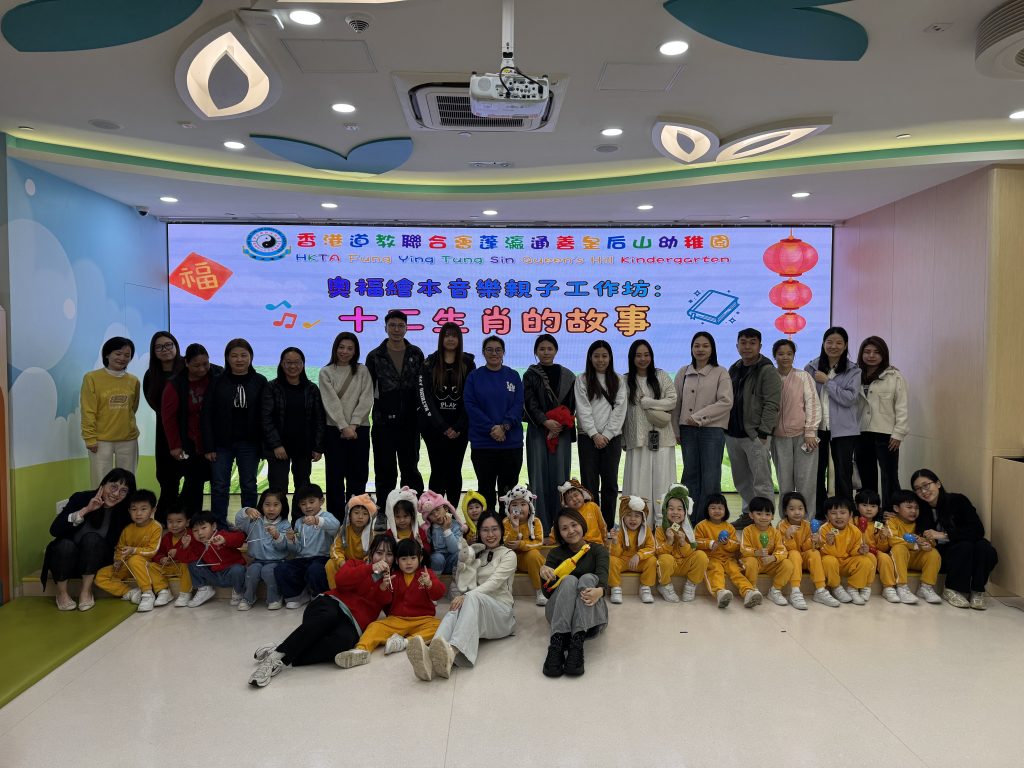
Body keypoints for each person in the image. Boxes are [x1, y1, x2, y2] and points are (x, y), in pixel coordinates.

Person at [248, 534, 396, 687]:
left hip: (353, 623)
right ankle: (275, 658)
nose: (383, 558)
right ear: (371, 553)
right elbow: (341, 580)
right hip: (330, 604)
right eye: (379, 553)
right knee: (328, 616)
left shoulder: (392, 580)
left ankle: (285, 649)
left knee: (344, 642)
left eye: (389, 554)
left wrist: (383, 588)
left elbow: (390, 609)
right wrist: (370, 569)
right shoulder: (356, 564)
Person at [406, 511, 517, 681]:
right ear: (479, 532)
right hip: (479, 609)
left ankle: (452, 652)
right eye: (485, 530)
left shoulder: (509, 555)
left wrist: (466, 596)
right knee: (455, 608)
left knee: (468, 598)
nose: (490, 534)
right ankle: (430, 653)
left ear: (502, 531)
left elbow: (494, 583)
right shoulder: (475, 554)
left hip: (502, 614)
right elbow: (465, 581)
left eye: (494, 529)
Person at [335, 538, 446, 669]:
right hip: (396, 619)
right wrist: (383, 588)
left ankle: (405, 642)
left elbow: (439, 594)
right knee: (374, 626)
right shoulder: (393, 576)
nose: (409, 562)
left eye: (413, 558)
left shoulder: (427, 574)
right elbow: (385, 602)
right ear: (397, 561)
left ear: (420, 558)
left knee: (440, 625)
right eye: (404, 559)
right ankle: (361, 650)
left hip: (423, 619)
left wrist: (430, 584)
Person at [43, 468, 136, 611]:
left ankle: (86, 591)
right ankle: (62, 593)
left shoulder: (125, 512)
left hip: (95, 565)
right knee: (65, 544)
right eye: (113, 487)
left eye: (123, 491)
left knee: (92, 539)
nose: (116, 494)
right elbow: (54, 530)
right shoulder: (81, 498)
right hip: (66, 561)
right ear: (103, 484)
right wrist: (86, 510)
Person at [201, 338, 268, 528]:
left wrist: (264, 445)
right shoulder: (217, 381)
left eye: (243, 355)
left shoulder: (260, 381)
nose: (239, 360)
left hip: (250, 443)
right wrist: (209, 446)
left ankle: (249, 526)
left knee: (249, 485)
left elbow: (265, 415)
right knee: (220, 486)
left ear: (251, 357)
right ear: (227, 358)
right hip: (221, 444)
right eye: (234, 356)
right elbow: (207, 414)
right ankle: (219, 525)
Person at [911, 469, 998, 609]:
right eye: (918, 489)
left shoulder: (958, 501)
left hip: (966, 548)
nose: (923, 491)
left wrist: (944, 535)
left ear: (938, 484)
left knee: (984, 547)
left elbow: (978, 530)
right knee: (964, 546)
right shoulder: (920, 510)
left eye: (926, 485)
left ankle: (977, 591)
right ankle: (952, 589)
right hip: (944, 555)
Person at [539, 508, 609, 678]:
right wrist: (544, 573)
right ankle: (557, 644)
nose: (570, 531)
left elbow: (603, 578)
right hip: (559, 617)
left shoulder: (598, 550)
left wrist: (600, 591)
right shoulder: (555, 553)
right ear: (559, 533)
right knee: (569, 580)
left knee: (587, 578)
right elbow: (547, 594)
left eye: (574, 525)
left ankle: (577, 643)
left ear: (582, 525)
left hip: (591, 620)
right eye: (564, 528)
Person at [671, 332, 732, 524]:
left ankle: (709, 521)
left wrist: (698, 418)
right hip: (687, 431)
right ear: (691, 348)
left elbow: (726, 402)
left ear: (712, 349)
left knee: (711, 477)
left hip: (712, 431)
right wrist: (676, 430)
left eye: (705, 346)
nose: (700, 349)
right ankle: (688, 521)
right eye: (696, 345)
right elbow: (676, 404)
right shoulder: (683, 372)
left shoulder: (720, 372)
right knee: (690, 475)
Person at [365, 309, 425, 502]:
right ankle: (384, 508)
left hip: (410, 422)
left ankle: (411, 508)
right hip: (383, 423)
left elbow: (422, 386)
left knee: (410, 469)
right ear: (386, 328)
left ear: (406, 328)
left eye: (400, 325)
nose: (396, 329)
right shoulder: (375, 356)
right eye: (392, 325)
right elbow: (368, 390)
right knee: (384, 470)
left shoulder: (416, 353)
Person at [724, 329, 781, 527]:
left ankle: (764, 520)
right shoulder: (734, 368)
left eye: (752, 342)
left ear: (760, 346)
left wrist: (763, 432)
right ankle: (748, 515)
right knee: (741, 480)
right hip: (733, 434)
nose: (747, 346)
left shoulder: (767, 370)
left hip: (755, 435)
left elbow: (772, 403)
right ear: (737, 345)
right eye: (743, 342)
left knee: (761, 481)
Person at [523, 334, 577, 535]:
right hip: (538, 431)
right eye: (542, 349)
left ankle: (561, 524)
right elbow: (528, 403)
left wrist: (559, 425)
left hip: (561, 433)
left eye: (549, 348)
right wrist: (545, 421)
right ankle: (540, 525)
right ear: (536, 352)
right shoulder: (529, 375)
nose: (546, 352)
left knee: (560, 477)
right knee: (538, 476)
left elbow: (571, 406)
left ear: (556, 350)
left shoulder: (568, 376)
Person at [464, 336, 524, 513]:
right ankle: (488, 526)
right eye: (489, 349)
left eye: (498, 350)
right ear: (483, 352)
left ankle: (509, 525)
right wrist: (492, 428)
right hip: (483, 443)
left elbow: (518, 404)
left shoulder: (513, 376)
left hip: (510, 443)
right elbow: (470, 405)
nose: (494, 353)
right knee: (486, 490)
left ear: (503, 352)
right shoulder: (474, 377)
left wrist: (504, 426)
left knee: (509, 491)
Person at [418, 321, 476, 507]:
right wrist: (442, 426)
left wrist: (458, 426)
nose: (450, 339)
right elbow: (424, 397)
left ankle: (452, 514)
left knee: (454, 471)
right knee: (437, 471)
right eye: (447, 335)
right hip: (434, 429)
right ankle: (435, 514)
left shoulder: (468, 364)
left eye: (454, 335)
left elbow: (471, 397)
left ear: (459, 339)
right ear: (441, 338)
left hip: (460, 429)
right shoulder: (429, 363)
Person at [805, 328, 860, 518]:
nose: (833, 346)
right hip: (817, 428)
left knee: (843, 473)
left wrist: (827, 381)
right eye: (829, 342)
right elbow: (806, 398)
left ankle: (845, 513)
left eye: (838, 342)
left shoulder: (853, 370)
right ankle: (819, 512)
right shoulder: (811, 368)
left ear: (845, 345)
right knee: (817, 471)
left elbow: (850, 399)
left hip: (844, 430)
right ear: (823, 343)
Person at [621, 339, 677, 526]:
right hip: (636, 439)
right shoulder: (625, 380)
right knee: (638, 485)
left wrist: (650, 403)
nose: (643, 359)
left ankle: (663, 526)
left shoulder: (661, 376)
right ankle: (638, 524)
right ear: (632, 358)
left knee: (663, 482)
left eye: (646, 355)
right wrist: (623, 438)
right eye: (638, 355)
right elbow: (621, 410)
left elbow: (672, 400)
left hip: (662, 438)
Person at [161, 344, 221, 516]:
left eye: (205, 364)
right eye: (196, 365)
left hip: (215, 440)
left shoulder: (218, 374)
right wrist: (175, 445)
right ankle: (190, 519)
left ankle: (216, 520)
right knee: (193, 481)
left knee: (218, 482)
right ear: (186, 363)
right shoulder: (175, 384)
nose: (202, 369)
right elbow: (168, 418)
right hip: (190, 442)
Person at [575, 340, 627, 531]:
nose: (601, 360)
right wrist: (594, 434)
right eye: (596, 356)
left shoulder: (618, 380)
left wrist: (606, 435)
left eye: (604, 356)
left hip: (611, 439)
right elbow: (582, 409)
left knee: (610, 484)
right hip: (587, 438)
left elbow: (620, 409)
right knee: (589, 484)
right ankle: (591, 525)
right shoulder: (582, 380)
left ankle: (607, 525)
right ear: (590, 358)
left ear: (610, 358)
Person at [318, 332, 373, 513]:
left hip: (360, 430)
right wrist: (343, 426)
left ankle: (356, 518)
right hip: (334, 430)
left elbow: (366, 398)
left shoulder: (362, 370)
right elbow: (330, 402)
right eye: (341, 347)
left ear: (355, 351)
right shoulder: (326, 372)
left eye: (350, 348)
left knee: (358, 476)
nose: (345, 351)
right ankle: (335, 519)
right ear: (335, 348)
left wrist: (353, 425)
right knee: (334, 477)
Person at [262, 347, 324, 494]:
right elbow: (265, 418)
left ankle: (299, 511)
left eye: (297, 362)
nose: (293, 366)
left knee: (303, 490)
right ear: (282, 364)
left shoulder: (311, 389)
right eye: (288, 362)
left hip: (304, 447)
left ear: (303, 364)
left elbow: (319, 419)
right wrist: (276, 445)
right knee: (278, 489)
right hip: (279, 448)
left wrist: (318, 446)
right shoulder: (272, 387)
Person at [94, 489, 168, 612]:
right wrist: (118, 560)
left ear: (153, 510)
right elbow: (120, 548)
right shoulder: (127, 529)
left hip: (147, 565)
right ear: (129, 511)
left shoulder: (156, 527)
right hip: (127, 565)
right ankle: (130, 593)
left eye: (143, 509)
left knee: (135, 560)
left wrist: (133, 550)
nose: (138, 513)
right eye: (134, 509)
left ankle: (147, 593)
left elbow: (153, 550)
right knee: (101, 575)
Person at [856, 336, 909, 506]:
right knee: (866, 476)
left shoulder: (894, 376)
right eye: (867, 351)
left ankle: (891, 513)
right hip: (861, 433)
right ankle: (869, 513)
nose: (871, 355)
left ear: (883, 354)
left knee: (890, 476)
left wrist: (898, 434)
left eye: (876, 352)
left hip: (887, 435)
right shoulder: (855, 375)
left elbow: (902, 407)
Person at [81, 337, 140, 486]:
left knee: (127, 481)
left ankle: (127, 503)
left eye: (127, 355)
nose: (122, 358)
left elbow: (133, 408)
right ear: (107, 354)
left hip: (128, 439)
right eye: (118, 353)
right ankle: (100, 503)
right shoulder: (92, 378)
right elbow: (88, 411)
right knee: (101, 481)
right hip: (100, 440)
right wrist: (90, 438)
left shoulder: (134, 381)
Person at [771, 339, 821, 515]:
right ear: (774, 356)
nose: (785, 357)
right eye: (781, 354)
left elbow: (813, 404)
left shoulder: (803, 376)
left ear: (794, 355)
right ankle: (786, 521)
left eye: (789, 354)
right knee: (784, 482)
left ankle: (807, 521)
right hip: (778, 438)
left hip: (804, 437)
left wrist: (810, 431)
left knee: (806, 482)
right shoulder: (770, 377)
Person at [143, 332, 185, 520]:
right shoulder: (151, 375)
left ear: (176, 346)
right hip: (165, 432)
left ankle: (187, 517)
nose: (165, 349)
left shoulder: (187, 367)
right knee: (168, 479)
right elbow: (153, 402)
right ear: (154, 351)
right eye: (159, 347)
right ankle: (165, 521)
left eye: (169, 345)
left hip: (189, 430)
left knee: (193, 478)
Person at [278, 484, 341, 608]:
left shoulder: (326, 516)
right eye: (303, 503)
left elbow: (336, 526)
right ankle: (296, 596)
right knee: (282, 568)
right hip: (302, 559)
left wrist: (317, 520)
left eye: (312, 502)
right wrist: (292, 540)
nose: (308, 506)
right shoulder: (299, 522)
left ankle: (319, 596)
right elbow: (297, 549)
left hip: (322, 558)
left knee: (316, 570)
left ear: (321, 501)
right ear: (299, 505)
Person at [693, 494, 757, 608]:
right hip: (711, 558)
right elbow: (695, 543)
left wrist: (727, 543)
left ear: (725, 510)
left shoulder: (729, 527)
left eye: (720, 508)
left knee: (736, 572)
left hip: (728, 559)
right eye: (713, 508)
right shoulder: (701, 526)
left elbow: (736, 545)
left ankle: (748, 592)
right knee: (716, 571)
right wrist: (710, 543)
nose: (717, 511)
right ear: (707, 509)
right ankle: (720, 592)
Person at [778, 491, 838, 608]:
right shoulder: (782, 526)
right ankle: (795, 591)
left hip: (803, 559)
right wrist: (788, 536)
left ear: (805, 510)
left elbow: (807, 548)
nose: (797, 512)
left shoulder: (807, 525)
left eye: (800, 508)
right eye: (792, 509)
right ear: (785, 511)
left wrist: (814, 541)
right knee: (794, 553)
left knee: (814, 553)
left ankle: (820, 590)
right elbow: (783, 549)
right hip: (790, 560)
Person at [882, 489, 943, 605]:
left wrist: (927, 544)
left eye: (916, 508)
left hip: (915, 559)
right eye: (909, 507)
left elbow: (931, 540)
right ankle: (901, 587)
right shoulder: (892, 521)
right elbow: (892, 540)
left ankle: (926, 587)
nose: (913, 511)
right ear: (896, 508)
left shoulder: (921, 522)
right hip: (898, 559)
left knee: (933, 553)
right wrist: (915, 544)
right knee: (899, 548)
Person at [235, 489, 292, 611]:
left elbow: (284, 547)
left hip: (277, 561)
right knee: (252, 571)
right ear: (261, 506)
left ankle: (275, 598)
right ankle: (248, 597)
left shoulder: (285, 524)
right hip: (256, 560)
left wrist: (277, 535)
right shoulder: (254, 521)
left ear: (283, 506)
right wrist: (247, 510)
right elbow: (238, 521)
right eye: (267, 504)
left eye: (276, 505)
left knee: (268, 571)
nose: (271, 509)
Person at [739, 497, 795, 609]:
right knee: (751, 562)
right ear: (751, 515)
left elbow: (783, 550)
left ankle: (775, 590)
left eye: (767, 514)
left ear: (772, 516)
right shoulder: (747, 530)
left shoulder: (775, 532)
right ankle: (752, 589)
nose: (764, 517)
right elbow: (743, 549)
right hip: (754, 563)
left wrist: (773, 558)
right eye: (759, 514)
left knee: (788, 564)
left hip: (769, 563)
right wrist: (756, 552)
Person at [656, 484, 709, 603]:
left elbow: (690, 552)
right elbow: (658, 552)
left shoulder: (688, 530)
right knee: (665, 559)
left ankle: (691, 585)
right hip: (670, 566)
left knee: (701, 556)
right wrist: (669, 542)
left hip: (685, 564)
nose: (675, 512)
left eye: (680, 509)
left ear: (685, 512)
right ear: (665, 511)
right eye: (671, 509)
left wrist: (683, 543)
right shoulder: (660, 529)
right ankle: (665, 586)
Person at [818, 496, 875, 606]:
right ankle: (835, 587)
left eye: (843, 512)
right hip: (830, 564)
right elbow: (823, 552)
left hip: (846, 563)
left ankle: (853, 588)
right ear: (827, 516)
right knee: (829, 560)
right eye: (833, 513)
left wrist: (860, 550)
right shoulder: (824, 529)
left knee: (866, 561)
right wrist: (829, 544)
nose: (838, 516)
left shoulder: (855, 530)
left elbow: (854, 550)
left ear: (850, 515)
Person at [607, 495, 661, 605]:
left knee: (652, 560)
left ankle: (645, 587)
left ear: (643, 518)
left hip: (639, 562)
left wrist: (639, 555)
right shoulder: (619, 531)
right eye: (628, 515)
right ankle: (615, 587)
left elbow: (652, 548)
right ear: (623, 516)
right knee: (611, 560)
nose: (633, 519)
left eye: (637, 516)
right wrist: (615, 541)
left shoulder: (647, 531)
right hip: (623, 561)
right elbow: (615, 554)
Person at [185, 511, 246, 608]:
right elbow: (186, 558)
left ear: (213, 527)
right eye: (195, 530)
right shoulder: (196, 543)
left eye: (203, 528)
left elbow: (240, 538)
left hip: (230, 574)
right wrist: (185, 547)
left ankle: (238, 591)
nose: (200, 533)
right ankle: (204, 589)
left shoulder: (221, 535)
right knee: (192, 562)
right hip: (213, 576)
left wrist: (225, 539)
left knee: (238, 569)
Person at [500, 483, 547, 606]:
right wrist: (514, 528)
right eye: (514, 505)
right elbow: (506, 543)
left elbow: (539, 542)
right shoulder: (505, 522)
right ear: (508, 508)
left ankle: (540, 591)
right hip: (511, 560)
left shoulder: (536, 522)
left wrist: (521, 544)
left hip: (528, 560)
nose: (519, 508)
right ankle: (505, 593)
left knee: (534, 555)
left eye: (523, 504)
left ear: (529, 507)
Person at [853, 489, 900, 604]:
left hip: (874, 551)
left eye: (873, 506)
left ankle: (888, 587)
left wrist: (883, 538)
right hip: (858, 551)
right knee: (869, 558)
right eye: (864, 505)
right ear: (857, 506)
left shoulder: (878, 524)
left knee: (885, 557)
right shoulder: (853, 521)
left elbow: (883, 548)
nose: (869, 509)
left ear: (878, 508)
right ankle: (865, 586)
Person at [152, 506, 203, 607]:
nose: (174, 525)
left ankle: (185, 593)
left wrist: (179, 551)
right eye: (170, 522)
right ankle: (163, 591)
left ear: (187, 522)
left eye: (179, 521)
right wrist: (162, 559)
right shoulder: (166, 537)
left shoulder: (191, 535)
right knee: (151, 566)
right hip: (170, 566)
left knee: (187, 564)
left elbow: (195, 554)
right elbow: (158, 553)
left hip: (183, 567)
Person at [327, 494, 375, 589]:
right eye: (356, 513)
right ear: (349, 515)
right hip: (346, 562)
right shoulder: (344, 530)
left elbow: (374, 552)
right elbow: (335, 549)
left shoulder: (372, 533)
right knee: (330, 564)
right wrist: (341, 562)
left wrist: (366, 562)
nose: (360, 517)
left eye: (365, 514)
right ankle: (336, 591)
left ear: (369, 517)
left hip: (362, 564)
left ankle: (363, 591)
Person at [420, 489, 463, 576]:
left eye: (438, 509)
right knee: (437, 558)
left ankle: (455, 578)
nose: (436, 515)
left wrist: (446, 530)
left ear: (446, 509)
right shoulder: (429, 529)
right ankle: (435, 579)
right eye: (431, 514)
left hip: (451, 560)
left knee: (459, 554)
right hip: (437, 562)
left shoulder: (456, 525)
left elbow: (454, 549)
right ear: (428, 518)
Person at [558, 478, 609, 546]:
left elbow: (602, 525)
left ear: (583, 494)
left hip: (596, 543)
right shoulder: (568, 514)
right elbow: (559, 527)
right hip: (578, 545)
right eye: (569, 499)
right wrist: (551, 539)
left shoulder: (593, 506)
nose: (574, 499)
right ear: (566, 504)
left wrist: (605, 539)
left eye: (576, 495)